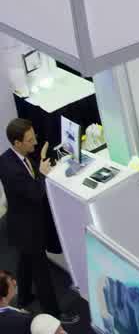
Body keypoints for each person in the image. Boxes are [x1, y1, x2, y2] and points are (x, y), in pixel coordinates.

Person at [0, 120, 73, 324]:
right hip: (28, 229)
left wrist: (40, 165)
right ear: (17, 143)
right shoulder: (12, 169)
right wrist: (42, 173)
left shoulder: (10, 158)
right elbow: (34, 192)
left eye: (34, 137)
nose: (35, 142)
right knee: (42, 275)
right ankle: (54, 314)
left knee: (25, 262)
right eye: (30, 140)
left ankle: (24, 298)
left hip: (19, 224)